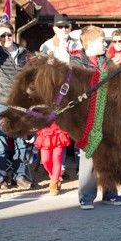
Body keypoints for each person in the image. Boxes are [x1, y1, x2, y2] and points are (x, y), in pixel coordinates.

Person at [70, 25, 121, 209]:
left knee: (109, 154)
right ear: (91, 43)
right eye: (102, 41)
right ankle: (86, 196)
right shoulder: (77, 62)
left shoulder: (107, 61)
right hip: (87, 115)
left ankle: (110, 193)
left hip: (108, 113)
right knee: (89, 156)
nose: (106, 43)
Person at [0, 23, 32, 190]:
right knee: (0, 142)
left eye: (9, 34)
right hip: (0, 103)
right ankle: (0, 178)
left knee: (21, 143)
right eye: (2, 35)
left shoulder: (24, 53)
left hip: (20, 105)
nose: (6, 38)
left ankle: (20, 176)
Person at [40, 13, 75, 179]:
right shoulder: (46, 47)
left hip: (76, 93)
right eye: (60, 26)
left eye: (66, 26)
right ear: (54, 28)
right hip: (56, 96)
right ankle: (58, 170)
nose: (64, 29)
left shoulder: (78, 43)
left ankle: (81, 168)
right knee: (57, 135)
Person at [35, 122, 71, 195]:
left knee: (56, 159)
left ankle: (54, 184)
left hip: (59, 129)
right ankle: (54, 176)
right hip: (45, 129)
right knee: (45, 160)